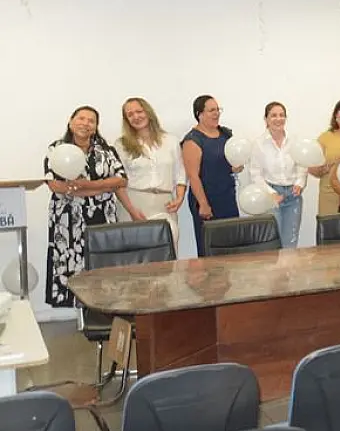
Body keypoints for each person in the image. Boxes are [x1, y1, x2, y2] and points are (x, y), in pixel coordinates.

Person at [44, 106, 127, 308]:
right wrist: (101, 188)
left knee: (102, 265)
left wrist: (85, 186)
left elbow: (121, 180)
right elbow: (54, 185)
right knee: (73, 263)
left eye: (91, 120)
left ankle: (103, 310)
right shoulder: (56, 149)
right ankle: (81, 314)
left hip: (102, 216)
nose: (85, 123)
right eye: (81, 118)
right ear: (71, 122)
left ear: (96, 126)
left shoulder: (105, 150)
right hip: (68, 219)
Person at [114, 97, 186, 251]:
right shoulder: (121, 145)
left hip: (164, 204)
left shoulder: (171, 141)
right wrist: (131, 210)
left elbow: (180, 174)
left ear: (148, 112)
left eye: (139, 111)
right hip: (134, 203)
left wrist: (179, 198)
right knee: (136, 257)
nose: (136, 117)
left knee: (167, 254)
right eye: (130, 114)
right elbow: (118, 182)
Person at [182, 95, 240, 256]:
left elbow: (229, 163)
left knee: (232, 246)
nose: (216, 114)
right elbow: (193, 176)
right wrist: (203, 204)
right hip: (206, 201)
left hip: (227, 198)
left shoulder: (225, 134)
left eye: (218, 110)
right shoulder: (192, 140)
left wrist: (236, 167)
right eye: (211, 110)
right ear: (199, 114)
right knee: (210, 249)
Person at [248, 102, 307, 248]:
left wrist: (300, 183)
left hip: (293, 195)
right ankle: (276, 272)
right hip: (271, 196)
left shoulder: (295, 140)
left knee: (290, 242)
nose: (278, 119)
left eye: (281, 115)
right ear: (266, 119)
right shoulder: (259, 144)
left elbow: (302, 163)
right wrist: (271, 193)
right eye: (273, 115)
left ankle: (288, 271)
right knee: (274, 243)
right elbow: (255, 174)